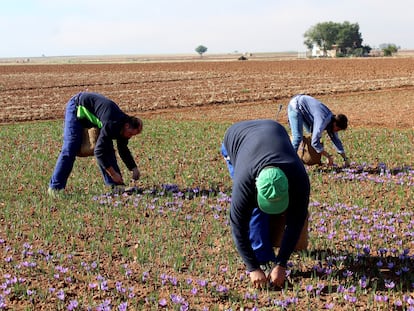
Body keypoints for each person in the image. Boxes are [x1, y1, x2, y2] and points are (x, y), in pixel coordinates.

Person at [221, 119, 310, 289]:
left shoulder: (299, 178)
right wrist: (252, 267)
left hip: (273, 130)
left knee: (274, 213)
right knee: (255, 209)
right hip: (236, 137)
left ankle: (270, 257)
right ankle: (261, 258)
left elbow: (296, 221)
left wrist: (282, 263)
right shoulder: (244, 182)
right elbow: (238, 226)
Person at [48, 92, 143, 196]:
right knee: (70, 148)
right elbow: (98, 152)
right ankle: (55, 188)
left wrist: (133, 168)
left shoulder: (124, 127)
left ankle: (116, 186)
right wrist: (113, 173)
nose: (129, 137)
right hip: (77, 107)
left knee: (107, 148)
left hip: (93, 114)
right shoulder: (112, 123)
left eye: (132, 135)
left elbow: (123, 148)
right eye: (130, 133)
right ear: (127, 125)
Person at [287, 94, 350, 167]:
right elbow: (315, 142)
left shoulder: (332, 121)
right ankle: (288, 162)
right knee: (298, 137)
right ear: (335, 124)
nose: (337, 132)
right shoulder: (322, 121)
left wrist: (345, 159)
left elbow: (336, 140)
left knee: (311, 135)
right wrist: (328, 156)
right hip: (296, 105)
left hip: (305, 109)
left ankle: (310, 159)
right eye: (338, 129)